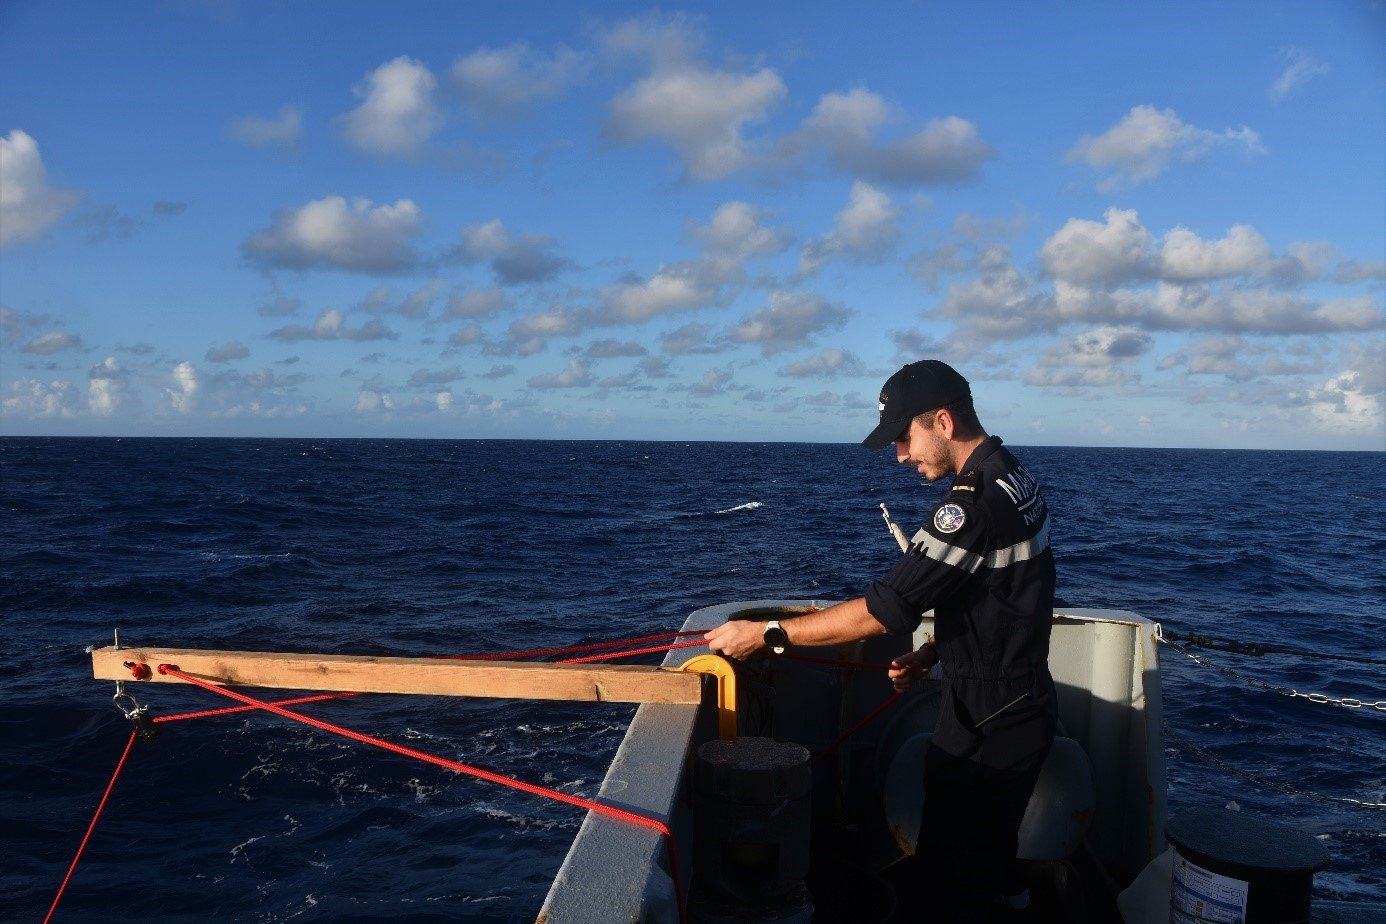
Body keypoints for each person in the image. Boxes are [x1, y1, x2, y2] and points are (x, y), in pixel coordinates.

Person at [705, 359, 1057, 921]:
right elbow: (1002, 599)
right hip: (1015, 700)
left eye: (904, 437)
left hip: (990, 719)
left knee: (953, 882)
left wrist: (769, 634)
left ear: (942, 421)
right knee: (991, 858)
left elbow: (883, 610)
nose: (900, 456)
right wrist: (932, 653)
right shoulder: (1015, 478)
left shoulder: (970, 507)